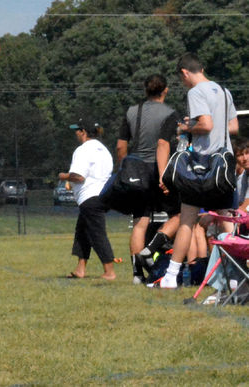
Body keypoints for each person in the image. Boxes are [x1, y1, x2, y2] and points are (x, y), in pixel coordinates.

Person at [151, 52, 238, 289]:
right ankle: (235, 274)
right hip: (224, 167)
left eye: (182, 79)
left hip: (202, 167)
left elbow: (206, 124)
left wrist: (188, 126)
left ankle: (171, 276)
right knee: (226, 221)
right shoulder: (223, 91)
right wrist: (205, 126)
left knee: (187, 220)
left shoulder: (195, 92)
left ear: (185, 73)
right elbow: (233, 127)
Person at [115, 74, 180, 284]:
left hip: (136, 170)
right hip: (159, 169)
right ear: (166, 90)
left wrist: (126, 166)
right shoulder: (170, 113)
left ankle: (136, 275)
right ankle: (152, 251)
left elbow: (121, 146)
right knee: (179, 215)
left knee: (139, 222)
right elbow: (165, 144)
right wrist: (163, 175)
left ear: (145, 90)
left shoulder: (132, 112)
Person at [59, 119, 116, 280]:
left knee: (97, 234)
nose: (76, 133)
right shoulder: (104, 150)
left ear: (83, 131)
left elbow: (78, 176)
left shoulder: (83, 150)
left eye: (77, 130)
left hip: (90, 197)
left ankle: (109, 272)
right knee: (82, 232)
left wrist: (63, 176)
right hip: (104, 195)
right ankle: (80, 269)